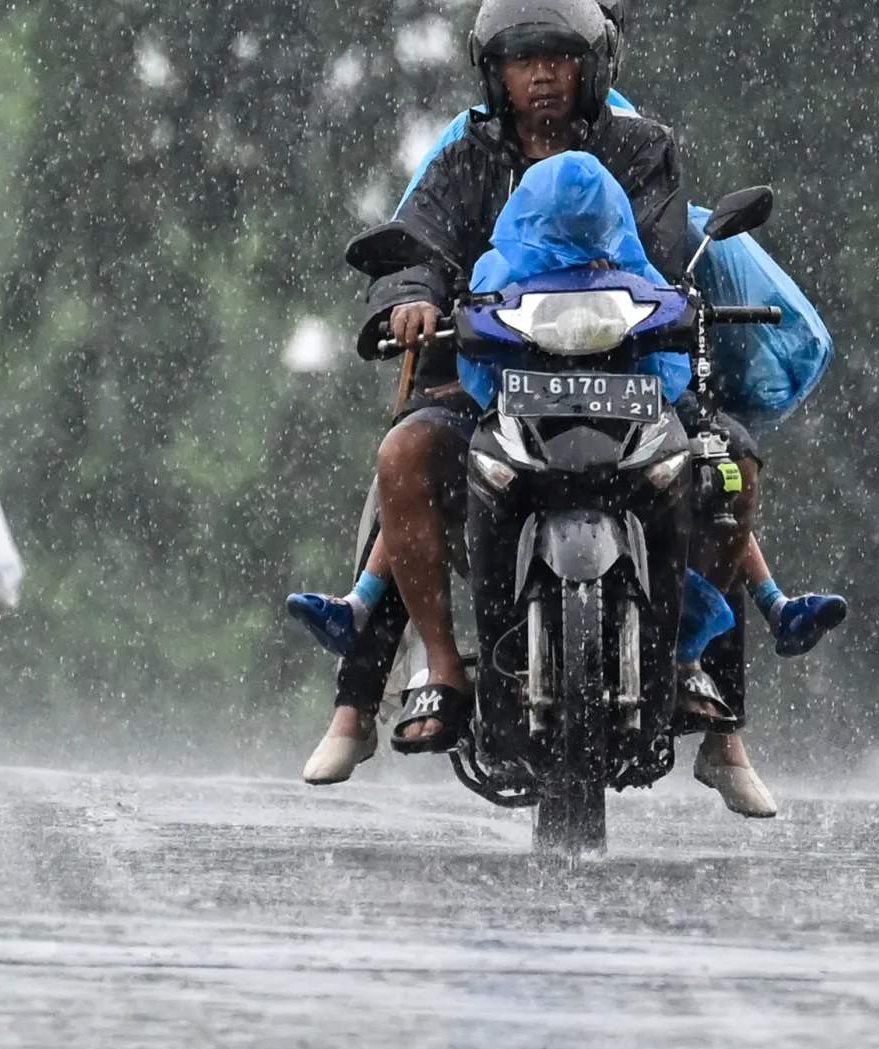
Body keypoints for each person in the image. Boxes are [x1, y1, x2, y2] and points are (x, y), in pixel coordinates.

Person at [296, 0, 821, 816]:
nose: (541, 74)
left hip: (636, 380)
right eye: (522, 58)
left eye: (558, 56)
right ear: (494, 73)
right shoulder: (466, 156)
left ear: (596, 64)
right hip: (488, 384)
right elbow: (419, 244)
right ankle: (434, 669)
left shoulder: (642, 148)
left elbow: (664, 253)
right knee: (403, 457)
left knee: (726, 464)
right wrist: (408, 298)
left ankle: (699, 684)